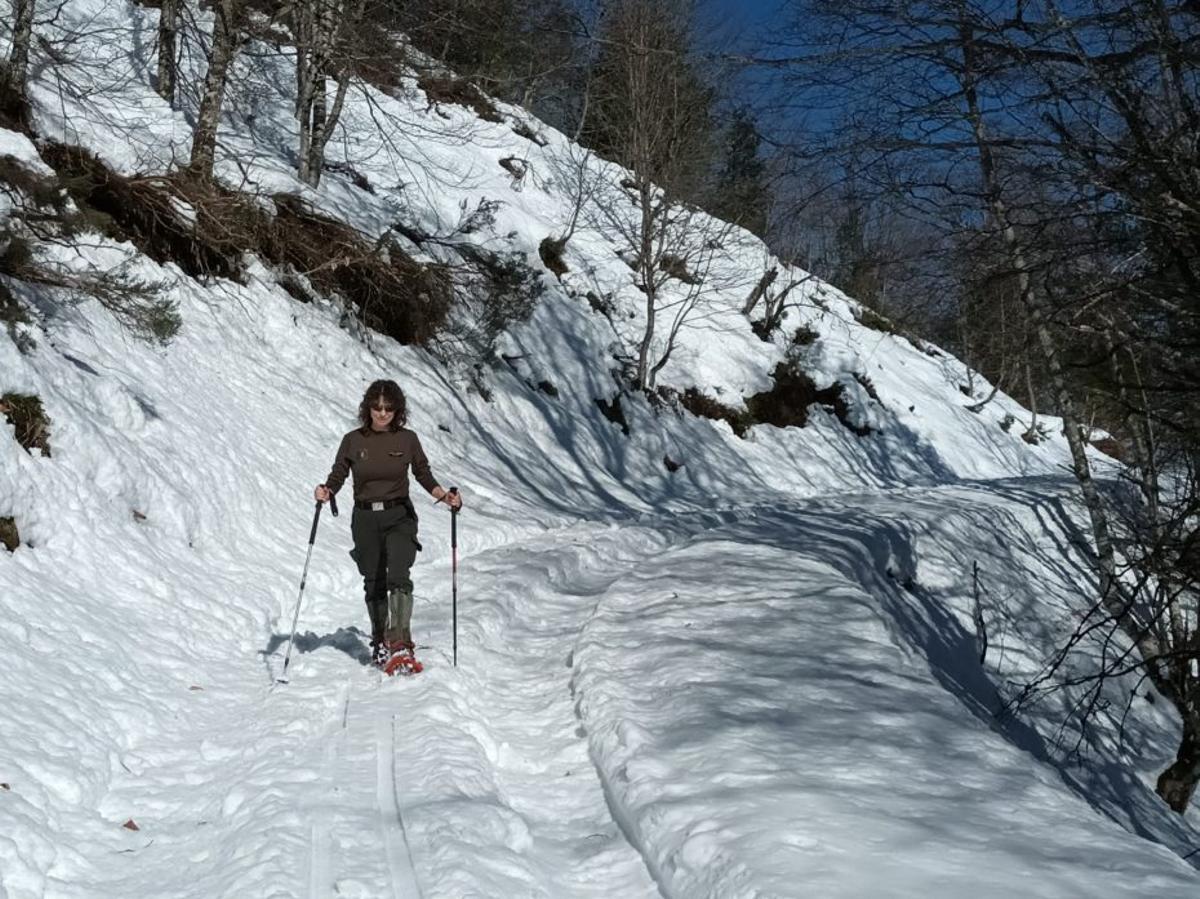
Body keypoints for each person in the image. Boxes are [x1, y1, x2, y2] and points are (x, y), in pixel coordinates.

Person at [315, 379, 461, 669]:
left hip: (399, 516)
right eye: (377, 408)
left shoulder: (407, 440)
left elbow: (422, 474)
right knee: (373, 580)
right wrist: (327, 491)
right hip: (365, 518)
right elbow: (338, 474)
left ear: (398, 411)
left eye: (388, 409)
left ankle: (400, 642)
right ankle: (380, 640)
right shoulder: (353, 440)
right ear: (367, 408)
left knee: (398, 573)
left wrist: (445, 496)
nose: (382, 414)